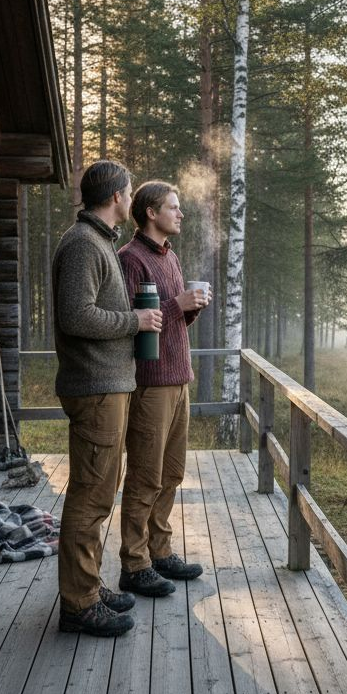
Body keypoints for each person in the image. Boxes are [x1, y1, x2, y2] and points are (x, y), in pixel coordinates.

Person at [52, 159, 163, 638]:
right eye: (129, 190)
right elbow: (76, 316)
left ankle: (90, 588)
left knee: (99, 492)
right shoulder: (82, 245)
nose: (132, 195)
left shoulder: (97, 242)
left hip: (109, 386)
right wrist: (132, 323)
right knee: (90, 497)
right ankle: (79, 605)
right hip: (95, 388)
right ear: (116, 195)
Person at [116, 181, 209, 597]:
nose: (180, 213)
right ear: (151, 213)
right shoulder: (130, 259)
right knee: (145, 476)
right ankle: (134, 564)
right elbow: (132, 325)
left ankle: (160, 550)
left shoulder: (168, 257)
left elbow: (167, 322)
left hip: (179, 379)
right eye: (174, 207)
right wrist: (177, 307)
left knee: (171, 473)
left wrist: (188, 311)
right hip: (150, 385)